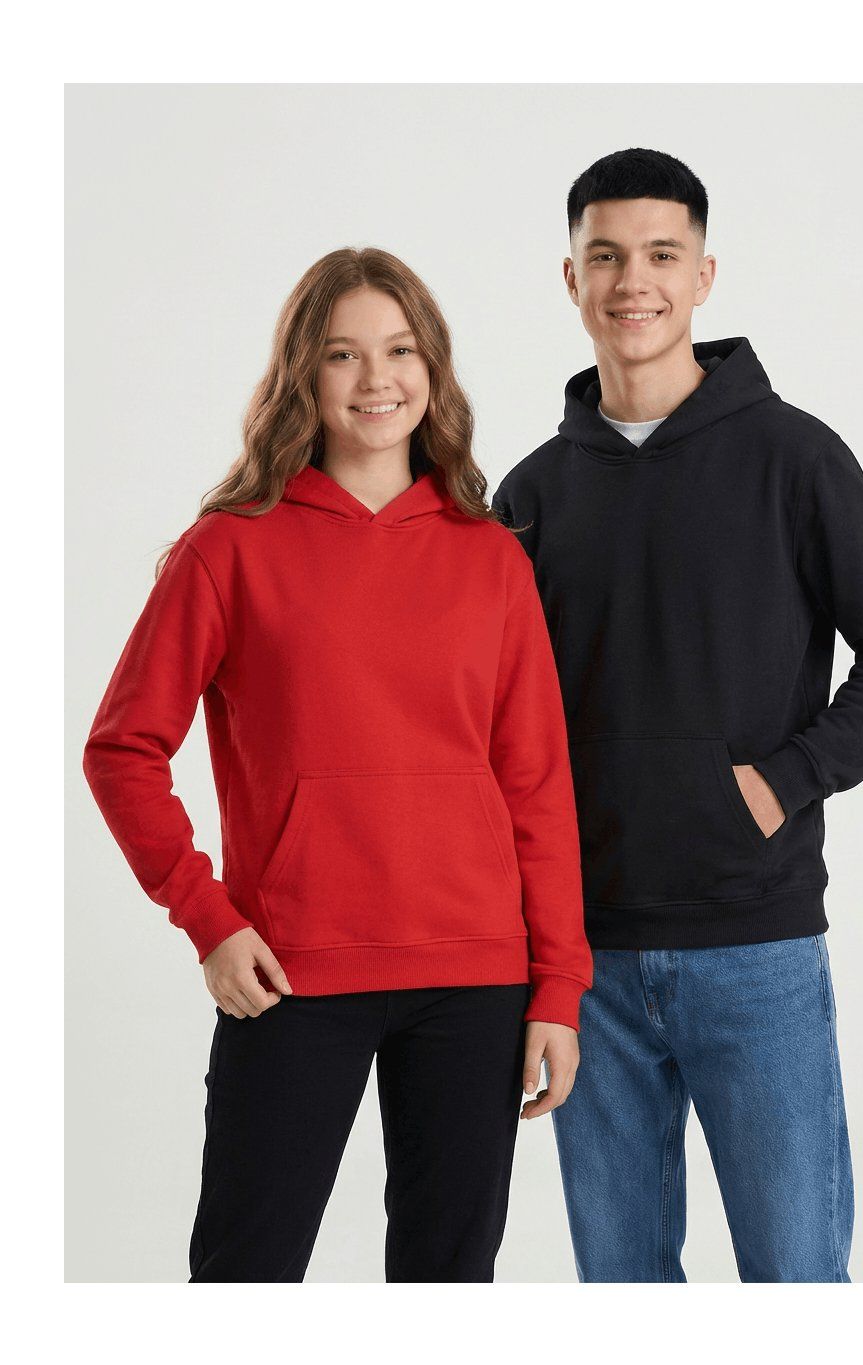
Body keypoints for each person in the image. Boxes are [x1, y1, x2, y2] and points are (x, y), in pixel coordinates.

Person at [82, 247, 592, 1284]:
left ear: (432, 368)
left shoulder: (490, 556)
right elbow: (122, 750)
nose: (375, 379)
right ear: (301, 376)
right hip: (289, 971)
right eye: (342, 354)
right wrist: (209, 918)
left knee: (448, 1285)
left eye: (400, 351)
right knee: (245, 1276)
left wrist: (558, 985)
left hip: (474, 979)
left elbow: (536, 784)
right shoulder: (228, 549)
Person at [492, 148, 863, 1283]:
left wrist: (783, 780)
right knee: (623, 1287)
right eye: (606, 256)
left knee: (795, 1279)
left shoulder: (794, 457)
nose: (632, 281)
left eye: (661, 254)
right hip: (587, 957)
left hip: (757, 944)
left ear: (703, 275)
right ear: (571, 279)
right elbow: (493, 717)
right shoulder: (532, 494)